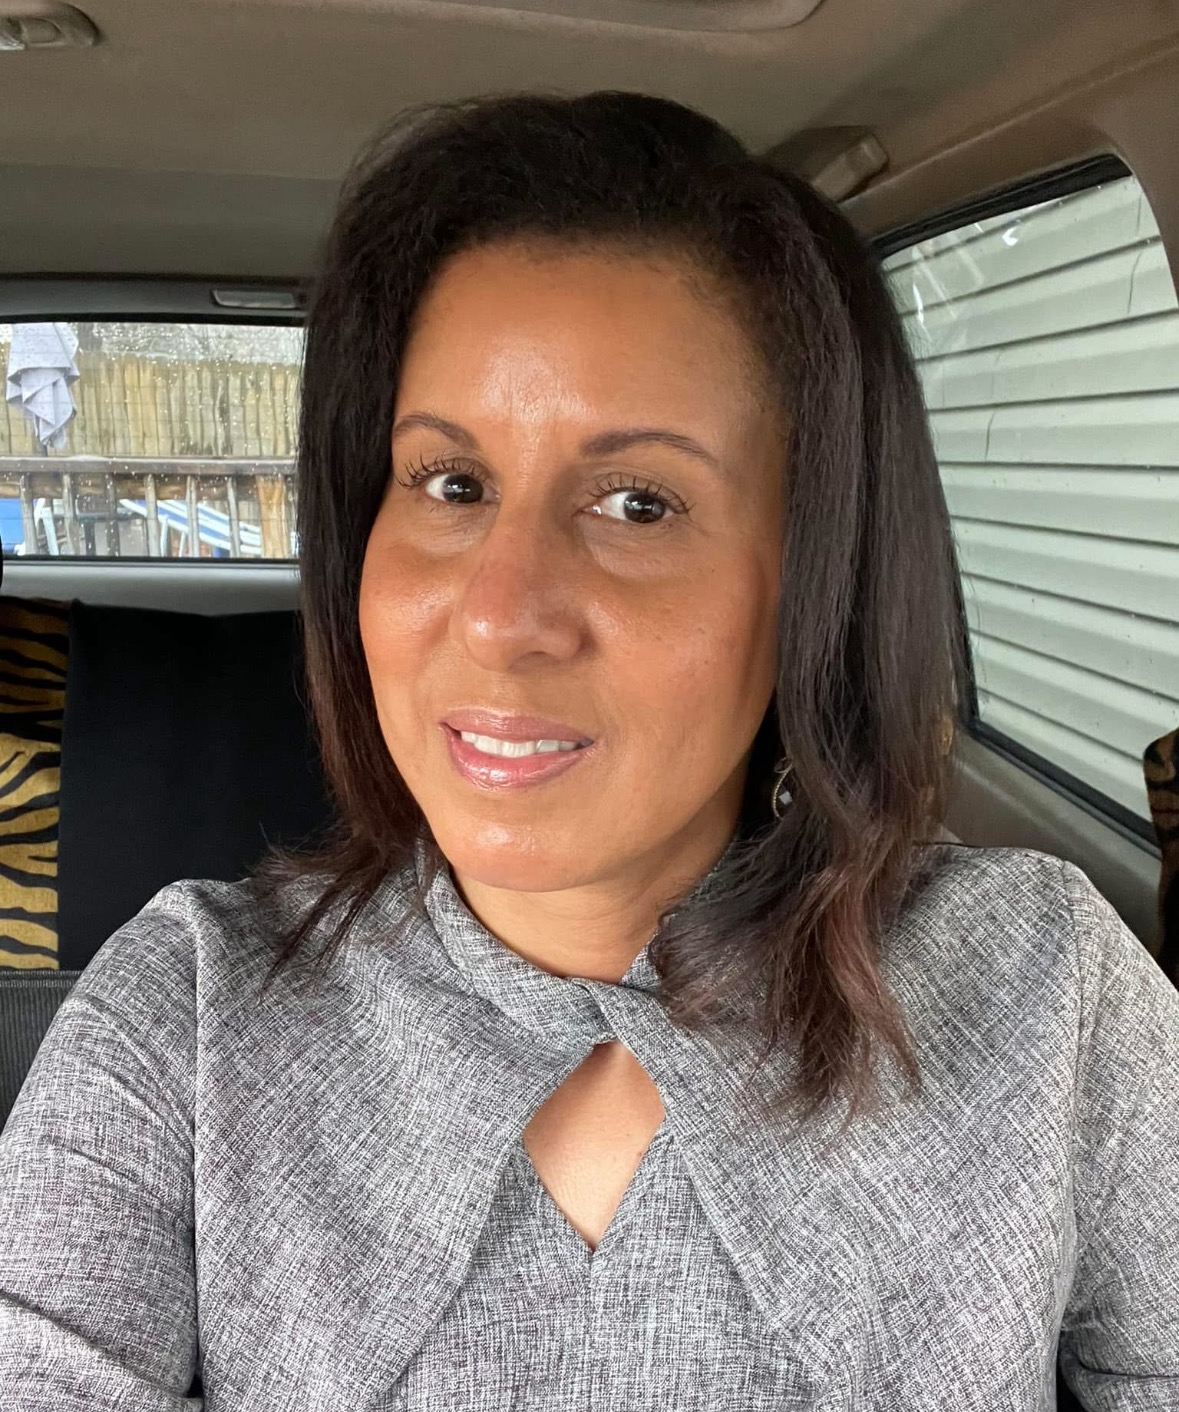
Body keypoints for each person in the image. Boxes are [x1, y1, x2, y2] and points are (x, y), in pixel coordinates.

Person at [1, 90, 1176, 1411]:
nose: (500, 617)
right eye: (450, 482)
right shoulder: (185, 1017)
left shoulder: (1046, 990)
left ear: (814, 580)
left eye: (637, 503)